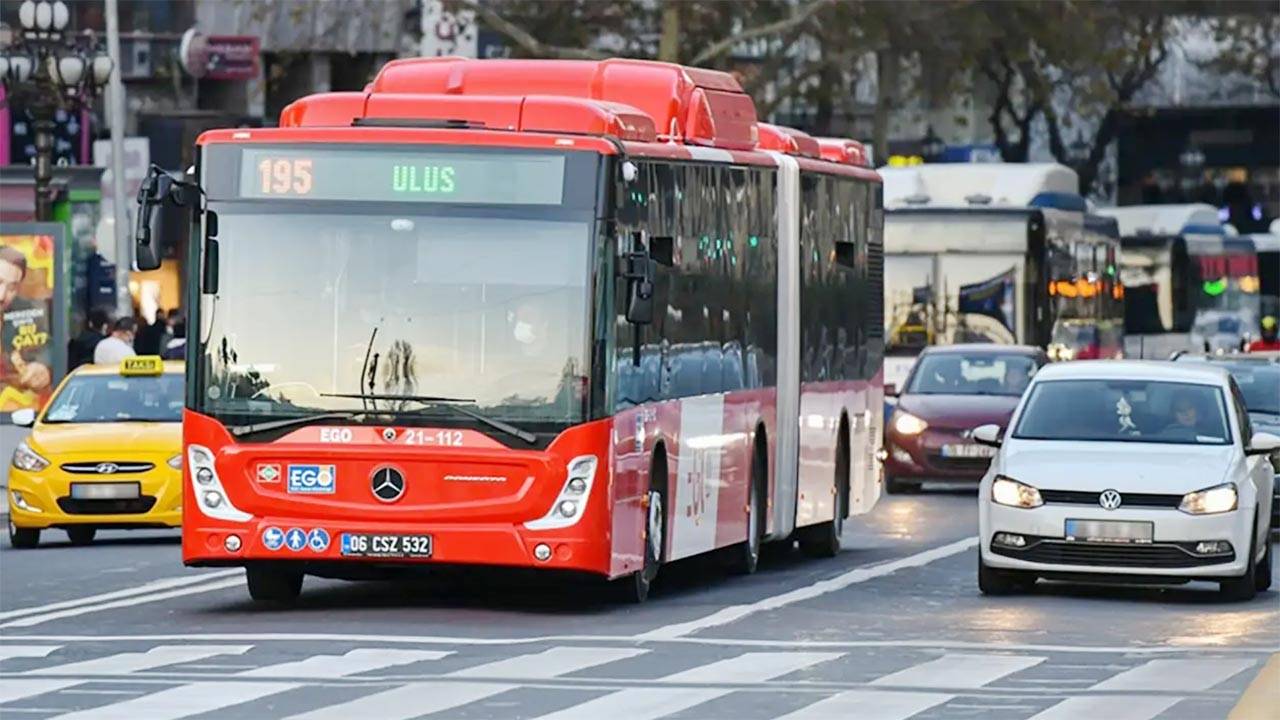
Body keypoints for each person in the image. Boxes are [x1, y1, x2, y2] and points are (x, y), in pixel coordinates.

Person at [0, 245, 53, 407]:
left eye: (12, 287)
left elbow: (47, 345)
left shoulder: (27, 311)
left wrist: (44, 367)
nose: (2, 295)